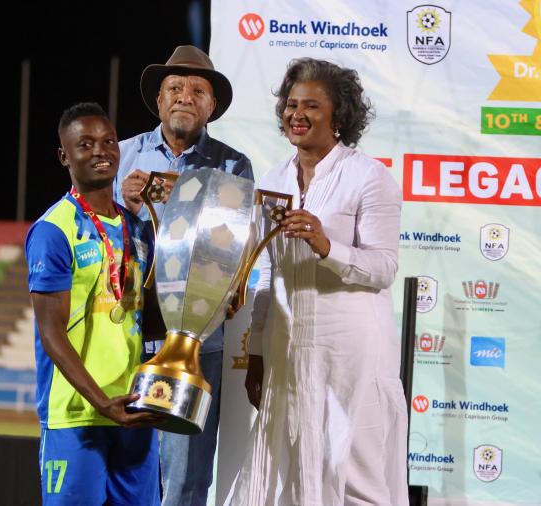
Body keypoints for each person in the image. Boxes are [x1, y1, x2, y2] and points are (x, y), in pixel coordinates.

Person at [232, 58, 409, 505]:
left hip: (352, 353)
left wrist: (326, 246)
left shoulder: (369, 177)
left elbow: (383, 267)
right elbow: (268, 274)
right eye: (291, 104)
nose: (297, 114)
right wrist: (256, 354)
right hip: (288, 353)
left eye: (311, 105)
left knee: (356, 476)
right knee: (285, 478)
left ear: (339, 116)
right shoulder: (273, 181)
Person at [115, 45, 254, 506]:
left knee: (187, 475)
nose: (185, 97)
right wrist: (125, 210)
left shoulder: (234, 167)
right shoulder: (121, 157)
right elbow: (90, 234)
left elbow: (237, 248)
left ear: (212, 106)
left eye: (198, 90)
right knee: (123, 464)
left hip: (196, 340)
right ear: (158, 99)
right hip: (125, 332)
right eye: (174, 88)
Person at [26, 102, 162, 506]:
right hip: (78, 414)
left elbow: (147, 319)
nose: (100, 151)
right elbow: (51, 333)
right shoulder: (54, 230)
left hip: (134, 407)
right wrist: (102, 401)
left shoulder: (138, 227)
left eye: (107, 141)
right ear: (64, 156)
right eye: (85, 144)